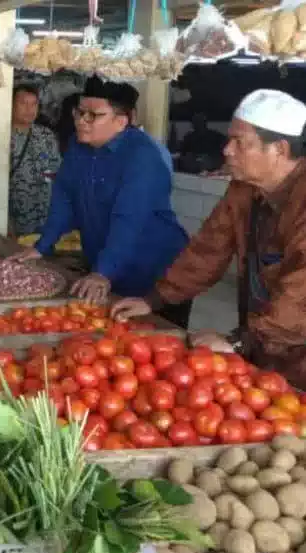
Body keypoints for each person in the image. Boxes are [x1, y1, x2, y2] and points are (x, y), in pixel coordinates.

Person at [113, 89, 306, 388]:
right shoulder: (244, 189)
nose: (227, 150)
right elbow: (208, 249)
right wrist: (156, 298)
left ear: (279, 149)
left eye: (240, 142)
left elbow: (302, 294)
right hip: (265, 339)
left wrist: (240, 341)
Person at [10, 75, 192, 328]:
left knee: (154, 345)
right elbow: (64, 198)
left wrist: (104, 271)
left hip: (156, 274)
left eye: (93, 115)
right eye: (79, 112)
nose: (81, 121)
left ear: (121, 121)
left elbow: (129, 219)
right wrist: (43, 246)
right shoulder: (79, 147)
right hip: (106, 267)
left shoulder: (144, 157)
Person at [9, 84, 62, 237]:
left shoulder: (46, 135)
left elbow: (56, 171)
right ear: (11, 105)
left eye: (34, 104)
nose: (29, 109)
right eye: (23, 103)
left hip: (44, 219)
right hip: (14, 221)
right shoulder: (4, 135)